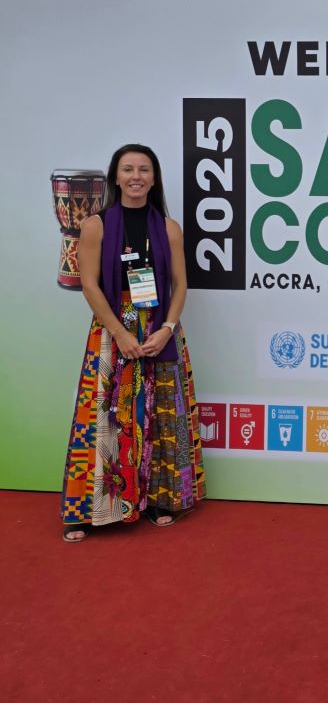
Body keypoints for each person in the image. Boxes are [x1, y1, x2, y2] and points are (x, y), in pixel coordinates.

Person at [61, 144, 206, 541]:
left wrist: (167, 328)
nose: (136, 176)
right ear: (116, 176)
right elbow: (90, 285)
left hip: (159, 327)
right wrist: (121, 333)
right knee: (102, 416)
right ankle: (87, 510)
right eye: (128, 169)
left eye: (144, 169)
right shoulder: (96, 225)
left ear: (154, 178)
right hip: (111, 329)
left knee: (162, 414)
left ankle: (160, 500)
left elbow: (180, 284)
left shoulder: (169, 228)